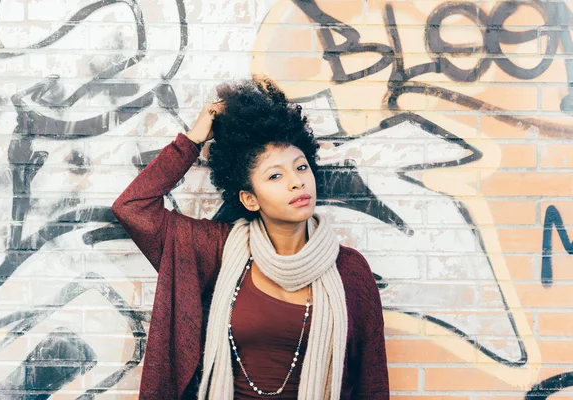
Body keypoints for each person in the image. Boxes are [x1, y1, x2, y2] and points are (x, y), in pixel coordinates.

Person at [111, 76, 389, 400]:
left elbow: (372, 385)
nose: (296, 182)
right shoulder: (218, 250)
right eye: (275, 175)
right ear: (250, 199)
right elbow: (132, 208)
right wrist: (192, 140)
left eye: (301, 168)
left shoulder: (351, 272)